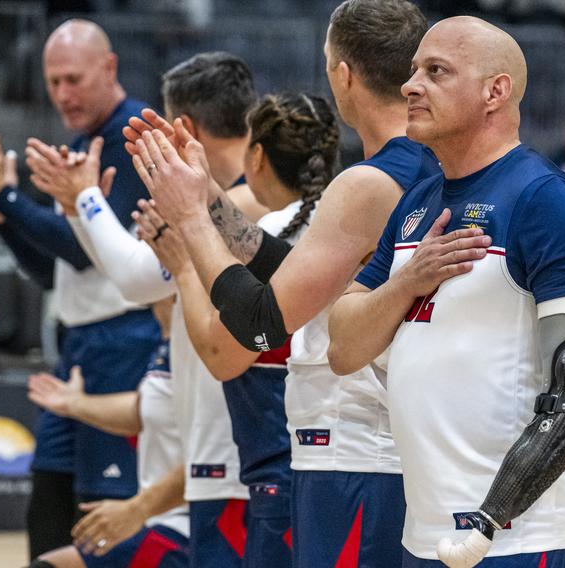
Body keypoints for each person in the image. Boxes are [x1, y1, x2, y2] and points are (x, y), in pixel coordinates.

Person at [126, 1, 470, 564]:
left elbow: (261, 325)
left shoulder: (367, 183)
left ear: (344, 75)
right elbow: (300, 270)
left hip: (356, 453)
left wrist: (189, 219)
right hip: (392, 453)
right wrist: (210, 195)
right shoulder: (423, 167)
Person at [326, 16, 565, 567]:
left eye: (436, 71)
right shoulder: (416, 205)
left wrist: (491, 517)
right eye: (412, 71)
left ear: (495, 91)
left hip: (508, 540)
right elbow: (343, 348)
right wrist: (409, 280)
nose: (410, 86)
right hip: (421, 536)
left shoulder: (547, 201)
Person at [24, 52, 273, 567]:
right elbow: (139, 274)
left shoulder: (237, 208)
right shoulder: (240, 201)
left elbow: (138, 279)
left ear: (182, 127)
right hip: (229, 462)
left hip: (231, 466)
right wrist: (80, 205)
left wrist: (87, 200)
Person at [0, 19, 162, 560]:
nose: (62, 93)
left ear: (109, 68)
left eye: (73, 79)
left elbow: (85, 250)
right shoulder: (83, 143)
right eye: (53, 81)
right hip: (80, 345)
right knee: (48, 509)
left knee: (100, 516)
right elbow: (52, 270)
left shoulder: (131, 135)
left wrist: (10, 202)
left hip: (124, 342)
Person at [132, 92, 340, 568]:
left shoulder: (280, 228)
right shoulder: (341, 224)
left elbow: (222, 354)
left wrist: (184, 266)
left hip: (278, 465)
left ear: (258, 155)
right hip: (320, 466)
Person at [27, 301, 190, 568]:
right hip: (166, 518)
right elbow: (144, 408)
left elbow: (217, 459)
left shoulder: (207, 338)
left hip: (200, 524)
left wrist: (137, 509)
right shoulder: (170, 334)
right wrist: (76, 404)